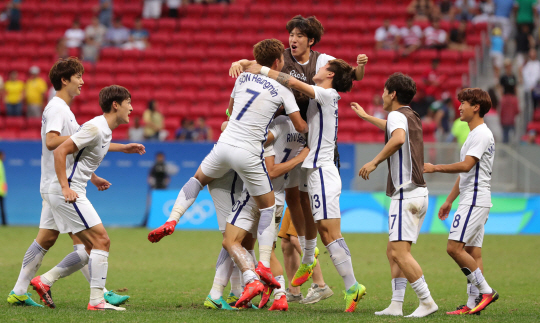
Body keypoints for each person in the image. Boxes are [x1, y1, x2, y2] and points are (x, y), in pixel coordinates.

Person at [148, 39, 308, 308]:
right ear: (278, 63)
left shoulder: (243, 76)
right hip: (248, 153)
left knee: (197, 180)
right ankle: (264, 266)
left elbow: (232, 111)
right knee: (267, 209)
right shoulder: (283, 89)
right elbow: (301, 126)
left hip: (223, 145)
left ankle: (173, 219)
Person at [229, 17, 368, 298]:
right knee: (300, 204)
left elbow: (304, 79)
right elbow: (263, 59)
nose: (293, 39)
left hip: (320, 161)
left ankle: (343, 283)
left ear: (311, 41)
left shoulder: (326, 90)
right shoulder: (290, 64)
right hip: (308, 155)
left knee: (327, 230)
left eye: (299, 35)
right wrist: (245, 63)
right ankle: (310, 264)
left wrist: (360, 68)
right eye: (290, 34)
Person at [6, 58, 129, 308]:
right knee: (90, 242)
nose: (82, 81)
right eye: (78, 76)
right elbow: (53, 142)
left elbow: (78, 150)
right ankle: (97, 293)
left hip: (60, 183)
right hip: (60, 185)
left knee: (48, 238)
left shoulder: (64, 109)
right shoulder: (57, 109)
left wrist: (93, 174)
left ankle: (20, 289)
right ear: (65, 80)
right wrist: (83, 136)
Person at [40, 85, 145, 311]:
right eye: (129, 102)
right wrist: (65, 187)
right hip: (67, 191)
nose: (132, 108)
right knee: (102, 241)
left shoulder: (103, 130)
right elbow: (59, 151)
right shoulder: (96, 127)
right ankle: (97, 301)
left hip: (73, 189)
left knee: (88, 249)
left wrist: (123, 148)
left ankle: (45, 280)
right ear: (116, 105)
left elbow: (89, 150)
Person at [351, 73, 438, 317]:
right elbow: (396, 129)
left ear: (393, 94)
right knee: (393, 251)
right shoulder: (411, 115)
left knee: (400, 253)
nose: (381, 94)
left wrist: (375, 161)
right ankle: (396, 305)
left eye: (384, 90)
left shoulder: (397, 115)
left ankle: (427, 301)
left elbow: (398, 138)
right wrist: (368, 118)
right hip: (419, 194)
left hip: (406, 194)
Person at [424, 88, 499, 315]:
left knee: (454, 248)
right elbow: (466, 173)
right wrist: (448, 201)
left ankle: (486, 292)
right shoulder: (474, 134)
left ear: (476, 107)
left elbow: (466, 166)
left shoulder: (481, 134)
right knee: (473, 252)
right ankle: (472, 303)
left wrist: (435, 167)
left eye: (464, 103)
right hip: (474, 197)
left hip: (475, 198)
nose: (459, 107)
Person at [499, 59, 519, 143]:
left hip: (512, 97)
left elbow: (515, 88)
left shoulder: (513, 77)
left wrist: (516, 98)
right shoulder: (503, 77)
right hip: (506, 97)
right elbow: (500, 87)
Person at [0, 151, 6, 226]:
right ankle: (4, 223)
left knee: (2, 208)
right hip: (0, 190)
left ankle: (4, 223)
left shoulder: (1, 163)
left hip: (1, 191)